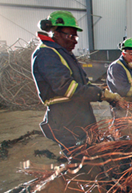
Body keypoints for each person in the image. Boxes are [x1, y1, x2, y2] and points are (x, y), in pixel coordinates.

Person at [32, 10, 121, 156]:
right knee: (80, 160)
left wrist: (108, 96)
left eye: (76, 37)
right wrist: (101, 95)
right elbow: (67, 88)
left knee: (91, 154)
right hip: (66, 119)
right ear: (55, 33)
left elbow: (84, 84)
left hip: (77, 114)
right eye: (70, 36)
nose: (74, 40)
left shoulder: (63, 54)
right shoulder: (46, 54)